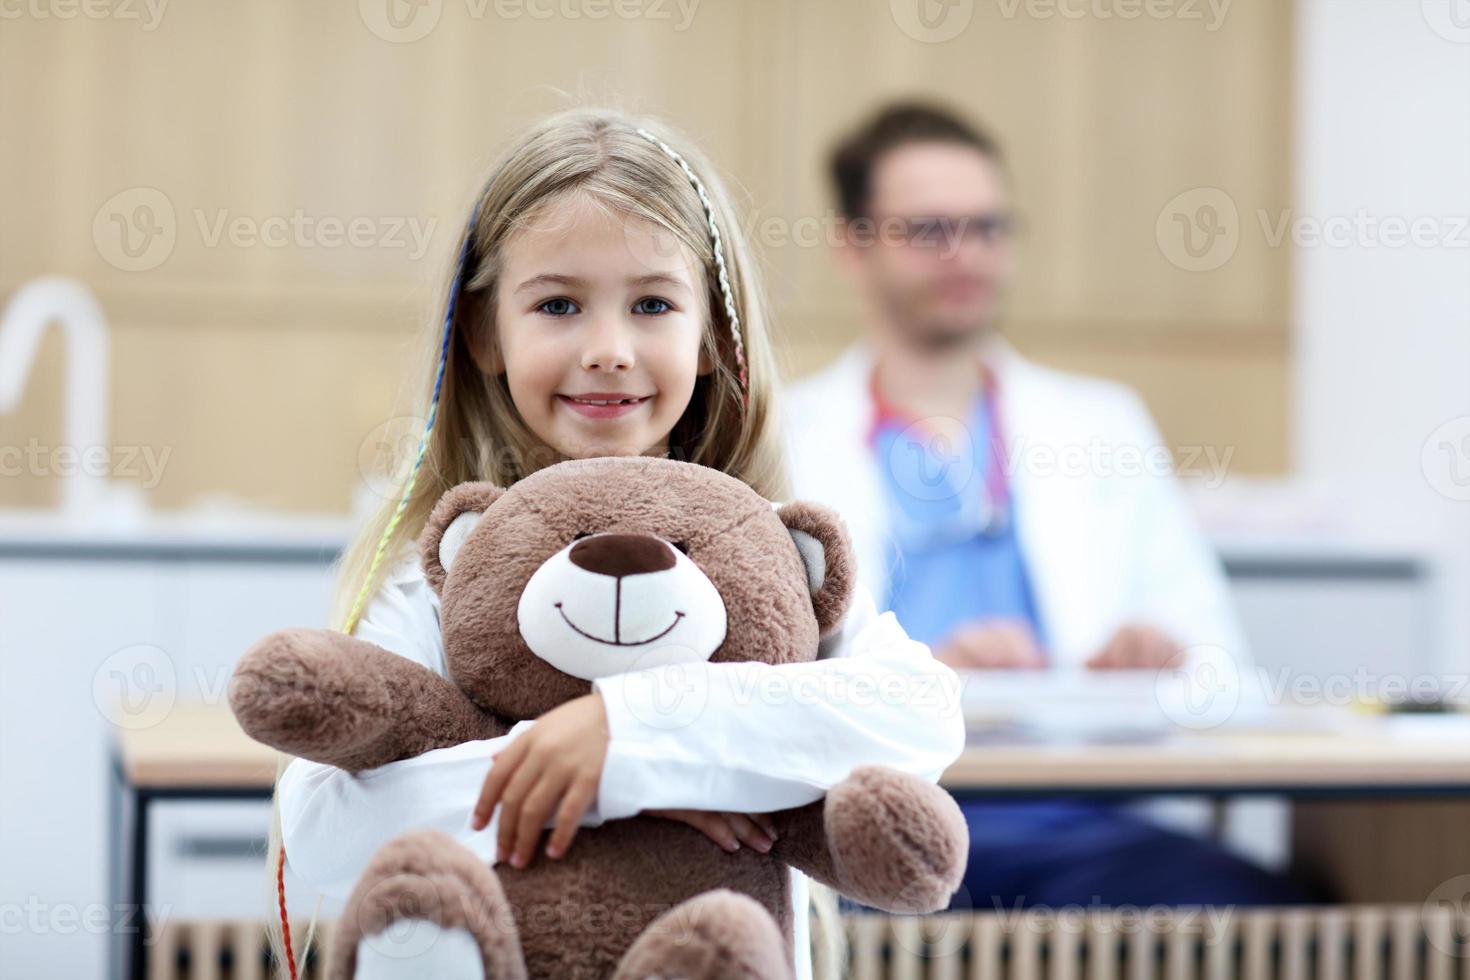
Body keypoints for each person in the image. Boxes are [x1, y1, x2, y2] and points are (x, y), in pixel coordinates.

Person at [268, 108, 965, 979]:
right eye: (558, 304)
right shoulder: (440, 565)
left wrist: (630, 737)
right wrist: (623, 785)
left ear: (712, 334)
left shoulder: (763, 555)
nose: (608, 349)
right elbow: (325, 825)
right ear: (486, 332)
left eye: (652, 304)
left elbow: (921, 716)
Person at [783, 102, 1309, 909]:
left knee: (1271, 910)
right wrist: (917, 683)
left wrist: (1156, 667)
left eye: (989, 227)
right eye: (929, 229)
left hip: (1086, 837)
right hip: (874, 842)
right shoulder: (786, 440)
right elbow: (758, 692)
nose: (968, 254)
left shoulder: (1100, 426)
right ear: (853, 248)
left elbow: (1229, 679)